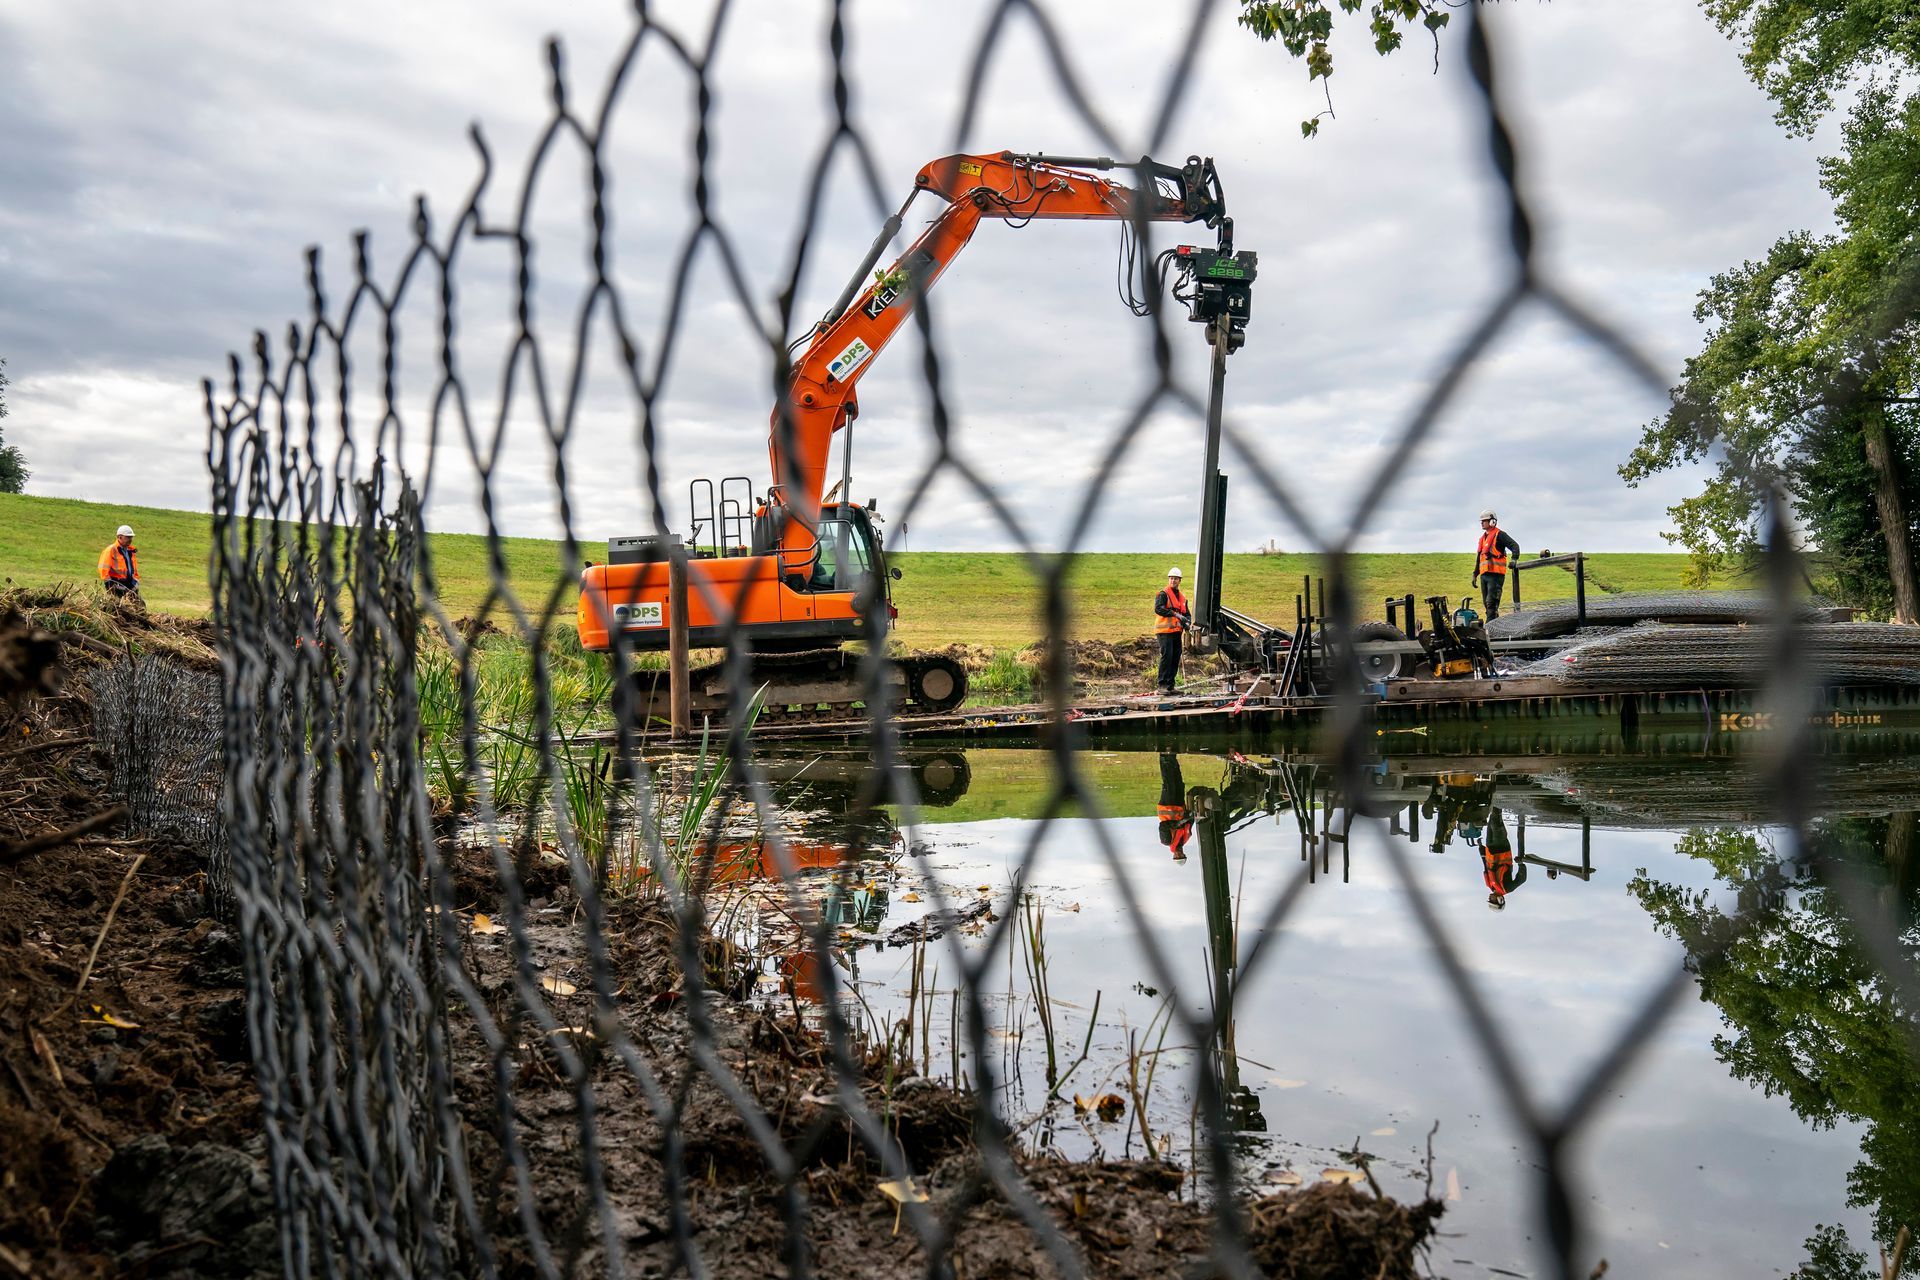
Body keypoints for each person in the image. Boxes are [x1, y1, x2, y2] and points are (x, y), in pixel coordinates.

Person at [1471, 510, 1519, 621]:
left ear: (1492, 521)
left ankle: (1489, 627)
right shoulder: (1482, 539)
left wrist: (1514, 559)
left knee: (1491, 604)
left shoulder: (1500, 535)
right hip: (1484, 575)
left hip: (1496, 575)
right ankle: (1493, 624)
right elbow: (1479, 558)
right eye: (1481, 521)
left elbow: (1514, 546)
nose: (1482, 523)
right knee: (1487, 604)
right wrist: (1475, 573)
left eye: (1484, 521)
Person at [1153, 566, 1190, 693]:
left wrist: (1187, 622)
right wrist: (1175, 614)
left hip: (1176, 632)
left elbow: (1187, 614)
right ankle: (1162, 685)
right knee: (1167, 656)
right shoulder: (1163, 594)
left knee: (1175, 657)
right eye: (1171, 578)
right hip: (1164, 632)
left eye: (1175, 579)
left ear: (1180, 580)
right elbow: (1158, 609)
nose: (1173, 581)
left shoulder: (1182, 598)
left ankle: (1170, 686)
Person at [1156, 751, 1193, 860]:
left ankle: (1164, 757)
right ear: (1184, 854)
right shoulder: (1186, 838)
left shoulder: (1167, 841)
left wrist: (1178, 823)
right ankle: (1172, 757)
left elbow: (1163, 826)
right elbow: (1189, 822)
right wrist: (1192, 815)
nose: (1179, 854)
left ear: (1174, 856)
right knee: (1179, 783)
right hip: (1179, 806)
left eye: (1177, 856)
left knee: (1169, 783)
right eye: (1182, 856)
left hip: (1167, 806)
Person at [98, 524, 140, 598]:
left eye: (131, 537)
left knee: (139, 604)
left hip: (130, 586)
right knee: (118, 605)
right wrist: (110, 584)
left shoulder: (131, 551)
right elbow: (103, 570)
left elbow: (134, 571)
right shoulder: (110, 550)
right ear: (120, 537)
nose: (130, 539)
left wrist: (135, 583)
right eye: (128, 537)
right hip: (116, 585)